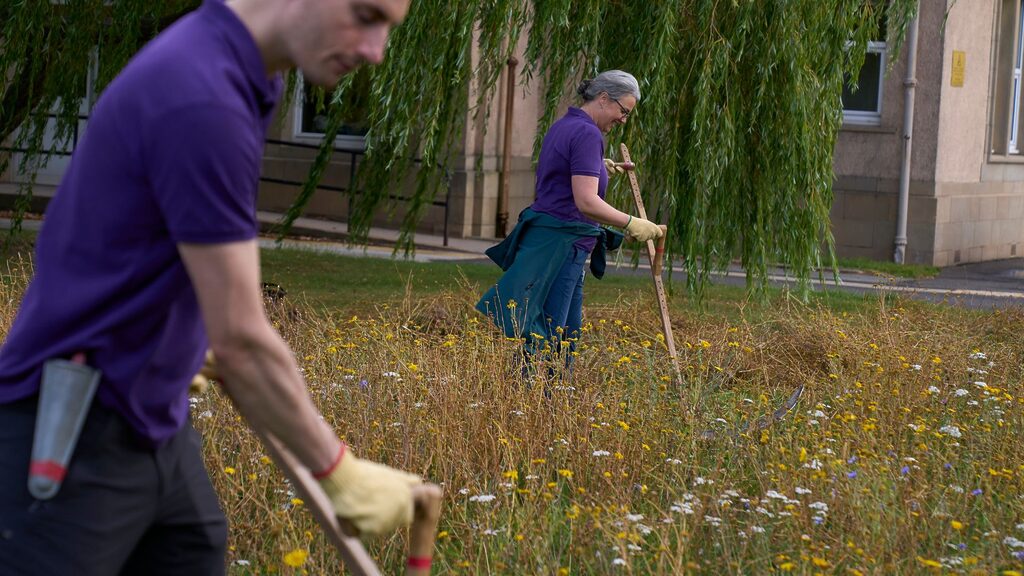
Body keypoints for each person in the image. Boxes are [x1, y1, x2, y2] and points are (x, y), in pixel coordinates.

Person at [0, 0, 420, 574]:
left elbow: (153, 244)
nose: (376, 52)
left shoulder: (246, 75)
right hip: (74, 430)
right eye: (365, 15)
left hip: (153, 420)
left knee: (194, 551)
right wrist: (337, 470)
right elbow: (243, 338)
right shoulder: (201, 97)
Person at [476, 70, 663, 376]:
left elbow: (562, 174)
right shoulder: (588, 134)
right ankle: (532, 409)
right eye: (623, 111)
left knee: (563, 338)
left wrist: (598, 168)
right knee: (546, 338)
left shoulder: (566, 125)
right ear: (603, 99)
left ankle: (551, 407)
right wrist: (632, 222)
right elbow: (586, 202)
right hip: (560, 246)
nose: (623, 120)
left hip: (559, 243)